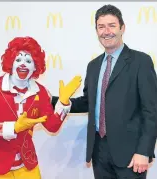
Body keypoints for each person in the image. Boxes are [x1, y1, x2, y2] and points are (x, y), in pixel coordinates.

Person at [52, 4, 157, 179]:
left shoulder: (141, 61)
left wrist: (144, 151)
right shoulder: (93, 66)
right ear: (96, 31)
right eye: (101, 27)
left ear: (122, 28)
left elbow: (151, 110)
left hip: (131, 154)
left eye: (112, 25)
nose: (106, 31)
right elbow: (89, 102)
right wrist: (55, 99)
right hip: (99, 151)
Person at [0, 36, 81, 179]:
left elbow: (52, 126)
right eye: (18, 60)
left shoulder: (40, 92)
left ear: (36, 66)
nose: (23, 64)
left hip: (26, 168)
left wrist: (63, 103)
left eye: (28, 61)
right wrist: (13, 128)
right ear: (10, 62)